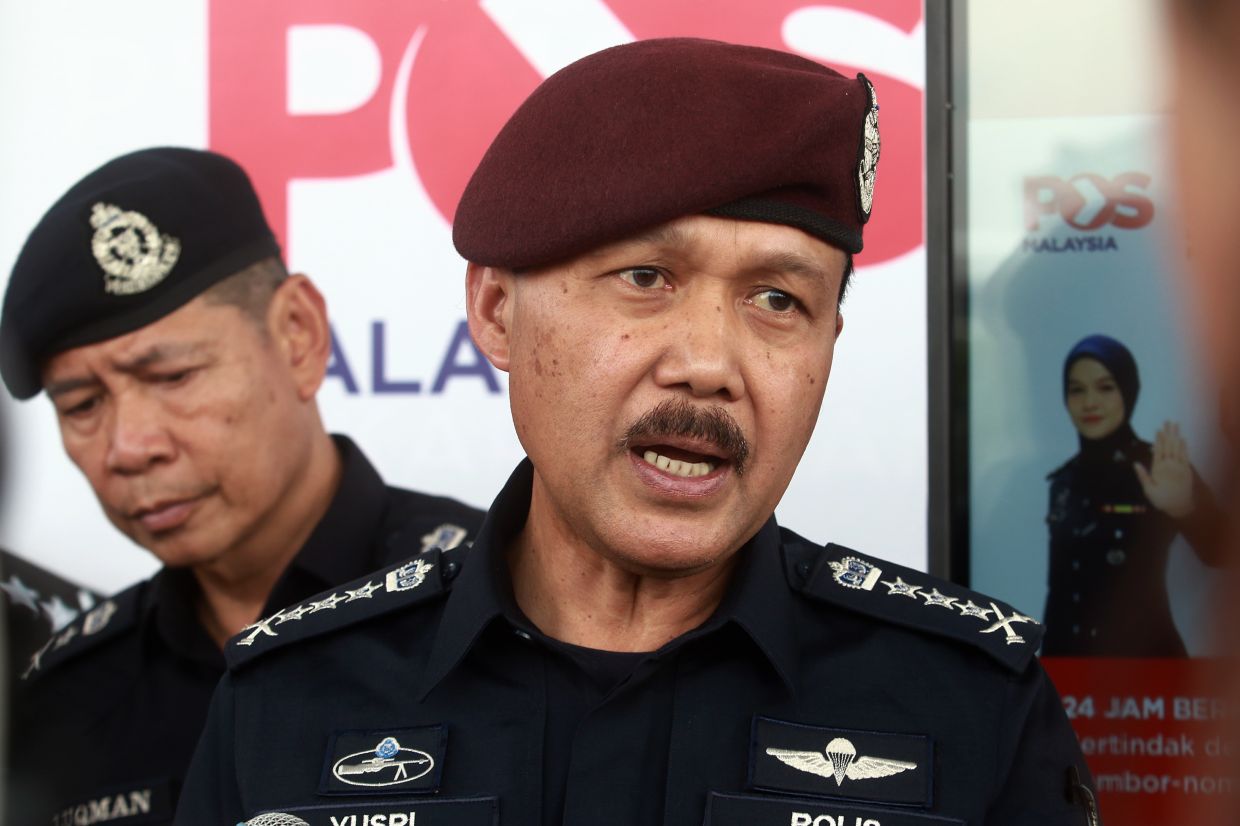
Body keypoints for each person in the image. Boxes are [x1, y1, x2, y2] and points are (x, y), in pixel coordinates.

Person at [176, 39, 1097, 826]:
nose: (709, 363)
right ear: (496, 312)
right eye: (646, 278)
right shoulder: (288, 699)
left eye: (779, 300)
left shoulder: (974, 703)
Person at [0, 148, 484, 822]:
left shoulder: (502, 604)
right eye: (82, 404)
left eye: (173, 377)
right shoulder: (63, 698)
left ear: (298, 335)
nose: (129, 447)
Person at [1042, 334, 1223, 656]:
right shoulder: (1063, 482)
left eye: (1105, 387)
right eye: (1077, 390)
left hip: (1147, 670)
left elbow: (1221, 553)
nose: (1090, 402)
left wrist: (1185, 508)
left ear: (1128, 390)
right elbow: (1061, 595)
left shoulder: (1162, 466)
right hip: (1070, 671)